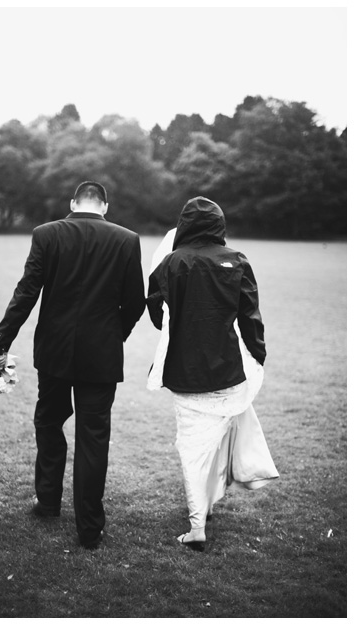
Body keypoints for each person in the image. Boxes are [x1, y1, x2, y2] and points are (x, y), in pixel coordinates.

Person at [0, 181, 145, 549]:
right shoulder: (127, 239)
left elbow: (27, 291)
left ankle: (47, 502)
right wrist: (113, 335)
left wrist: (1, 342)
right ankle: (89, 528)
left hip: (55, 352)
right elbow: (135, 302)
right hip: (101, 356)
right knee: (93, 438)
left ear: (73, 202)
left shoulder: (47, 234)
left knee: (48, 421)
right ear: (105, 206)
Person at [146, 196, 278, 551]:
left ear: (185, 225)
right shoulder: (237, 261)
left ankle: (197, 525)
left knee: (192, 448)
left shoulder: (171, 263)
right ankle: (206, 508)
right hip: (228, 370)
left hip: (184, 372)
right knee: (214, 442)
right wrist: (258, 355)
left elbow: (156, 312)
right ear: (219, 225)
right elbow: (250, 316)